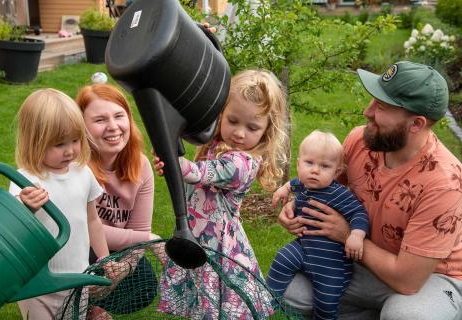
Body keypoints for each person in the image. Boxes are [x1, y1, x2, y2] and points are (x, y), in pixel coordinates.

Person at [278, 61, 462, 320]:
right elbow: (327, 193)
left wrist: (345, 235)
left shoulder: (444, 183)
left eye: (382, 107)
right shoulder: (360, 141)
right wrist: (298, 208)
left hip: (428, 279)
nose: (367, 111)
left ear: (416, 124)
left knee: (407, 315)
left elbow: (408, 280)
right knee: (291, 290)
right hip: (365, 262)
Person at [155, 69, 288, 319]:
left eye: (252, 127)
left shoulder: (243, 164)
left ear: (266, 131)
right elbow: (187, 109)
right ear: (221, 113)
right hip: (195, 236)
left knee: (215, 308)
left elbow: (203, 172)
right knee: (199, 305)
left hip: (220, 249)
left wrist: (180, 166)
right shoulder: (214, 144)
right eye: (233, 120)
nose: (239, 132)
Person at [9, 88, 116, 320]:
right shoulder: (25, 179)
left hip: (76, 276)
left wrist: (105, 258)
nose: (70, 151)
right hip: (36, 283)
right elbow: (10, 228)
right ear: (35, 140)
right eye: (59, 144)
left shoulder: (83, 173)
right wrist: (25, 205)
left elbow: (92, 220)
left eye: (75, 140)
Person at [266, 130, 369, 320]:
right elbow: (295, 183)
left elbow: (359, 213)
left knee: (326, 303)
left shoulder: (337, 194)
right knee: (282, 258)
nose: (315, 170)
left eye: (324, 166)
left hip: (331, 262)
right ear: (298, 163)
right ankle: (265, 301)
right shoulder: (306, 184)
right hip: (304, 248)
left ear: (337, 172)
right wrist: (284, 188)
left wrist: (355, 235)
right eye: (309, 163)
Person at [75, 84, 161, 252]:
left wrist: (126, 267)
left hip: (125, 251)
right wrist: (147, 239)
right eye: (100, 119)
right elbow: (81, 228)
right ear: (81, 126)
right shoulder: (75, 167)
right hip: (82, 251)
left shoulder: (140, 165)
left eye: (119, 116)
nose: (113, 126)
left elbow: (140, 230)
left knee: (146, 278)